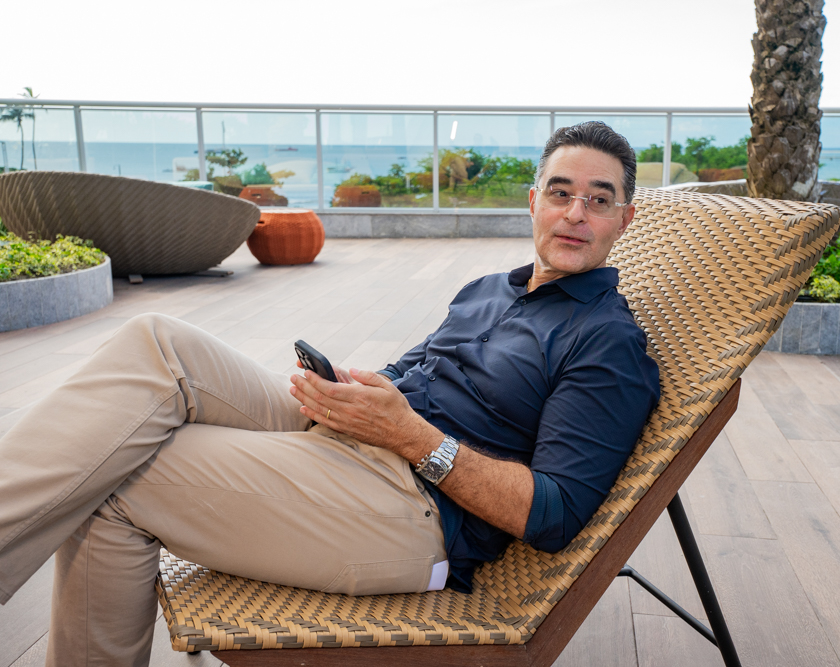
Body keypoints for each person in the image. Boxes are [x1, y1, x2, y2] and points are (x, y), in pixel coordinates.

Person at [0, 121, 660, 666]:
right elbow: (411, 370)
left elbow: (554, 514)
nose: (576, 213)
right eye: (561, 192)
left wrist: (411, 436)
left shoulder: (607, 343)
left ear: (624, 219)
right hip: (356, 438)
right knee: (157, 342)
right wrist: (351, 388)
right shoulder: (488, 290)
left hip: (411, 509)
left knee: (120, 470)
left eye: (599, 200)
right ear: (533, 202)